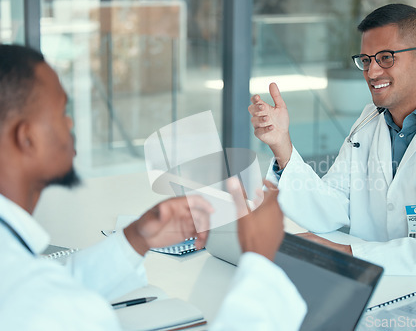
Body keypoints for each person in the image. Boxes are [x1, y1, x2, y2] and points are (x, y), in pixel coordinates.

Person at [0, 44, 306, 330]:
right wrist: (262, 267)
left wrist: (135, 238)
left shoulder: (19, 272)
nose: (70, 125)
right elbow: (46, 300)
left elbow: (56, 285)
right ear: (26, 137)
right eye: (62, 112)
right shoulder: (35, 303)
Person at [249, 3, 416, 284]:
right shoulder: (370, 121)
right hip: (385, 284)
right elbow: (330, 207)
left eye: (385, 57)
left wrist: (346, 253)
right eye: (366, 60)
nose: (372, 72)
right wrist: (281, 143)